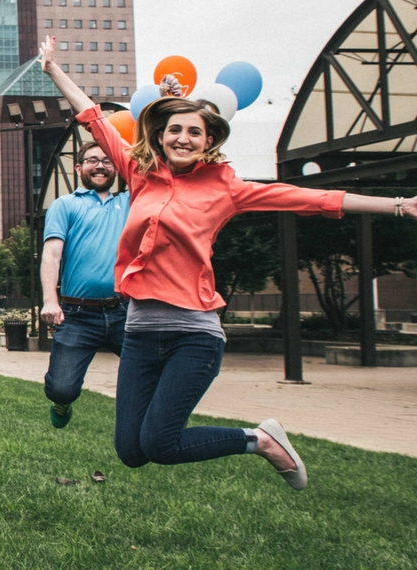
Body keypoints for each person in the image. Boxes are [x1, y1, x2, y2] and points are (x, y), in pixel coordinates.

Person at [40, 35, 417, 489]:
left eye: (194, 132)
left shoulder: (227, 189)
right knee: (131, 452)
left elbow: (311, 199)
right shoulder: (140, 175)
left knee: (161, 444)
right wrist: (53, 69)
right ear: (160, 136)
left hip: (192, 335)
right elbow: (94, 118)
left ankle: (260, 440)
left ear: (209, 140)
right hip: (138, 333)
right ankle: (256, 438)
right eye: (175, 130)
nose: (183, 138)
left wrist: (399, 205)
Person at [39, 141, 130, 429]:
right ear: (78, 168)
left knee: (154, 370)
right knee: (61, 388)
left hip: (125, 312)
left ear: (117, 168)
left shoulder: (130, 202)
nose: (100, 166)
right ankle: (61, 403)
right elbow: (52, 255)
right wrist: (50, 300)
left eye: (107, 160)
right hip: (78, 315)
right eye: (92, 160)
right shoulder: (65, 205)